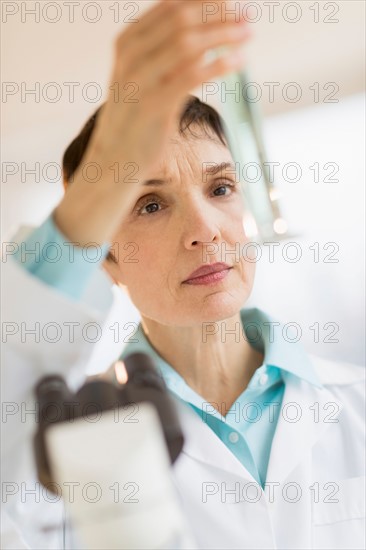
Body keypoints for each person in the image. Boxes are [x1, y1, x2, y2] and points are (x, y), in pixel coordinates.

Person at [2, 1, 364, 549]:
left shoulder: (356, 407)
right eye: (150, 204)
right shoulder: (62, 456)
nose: (205, 230)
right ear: (104, 257)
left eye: (221, 189)